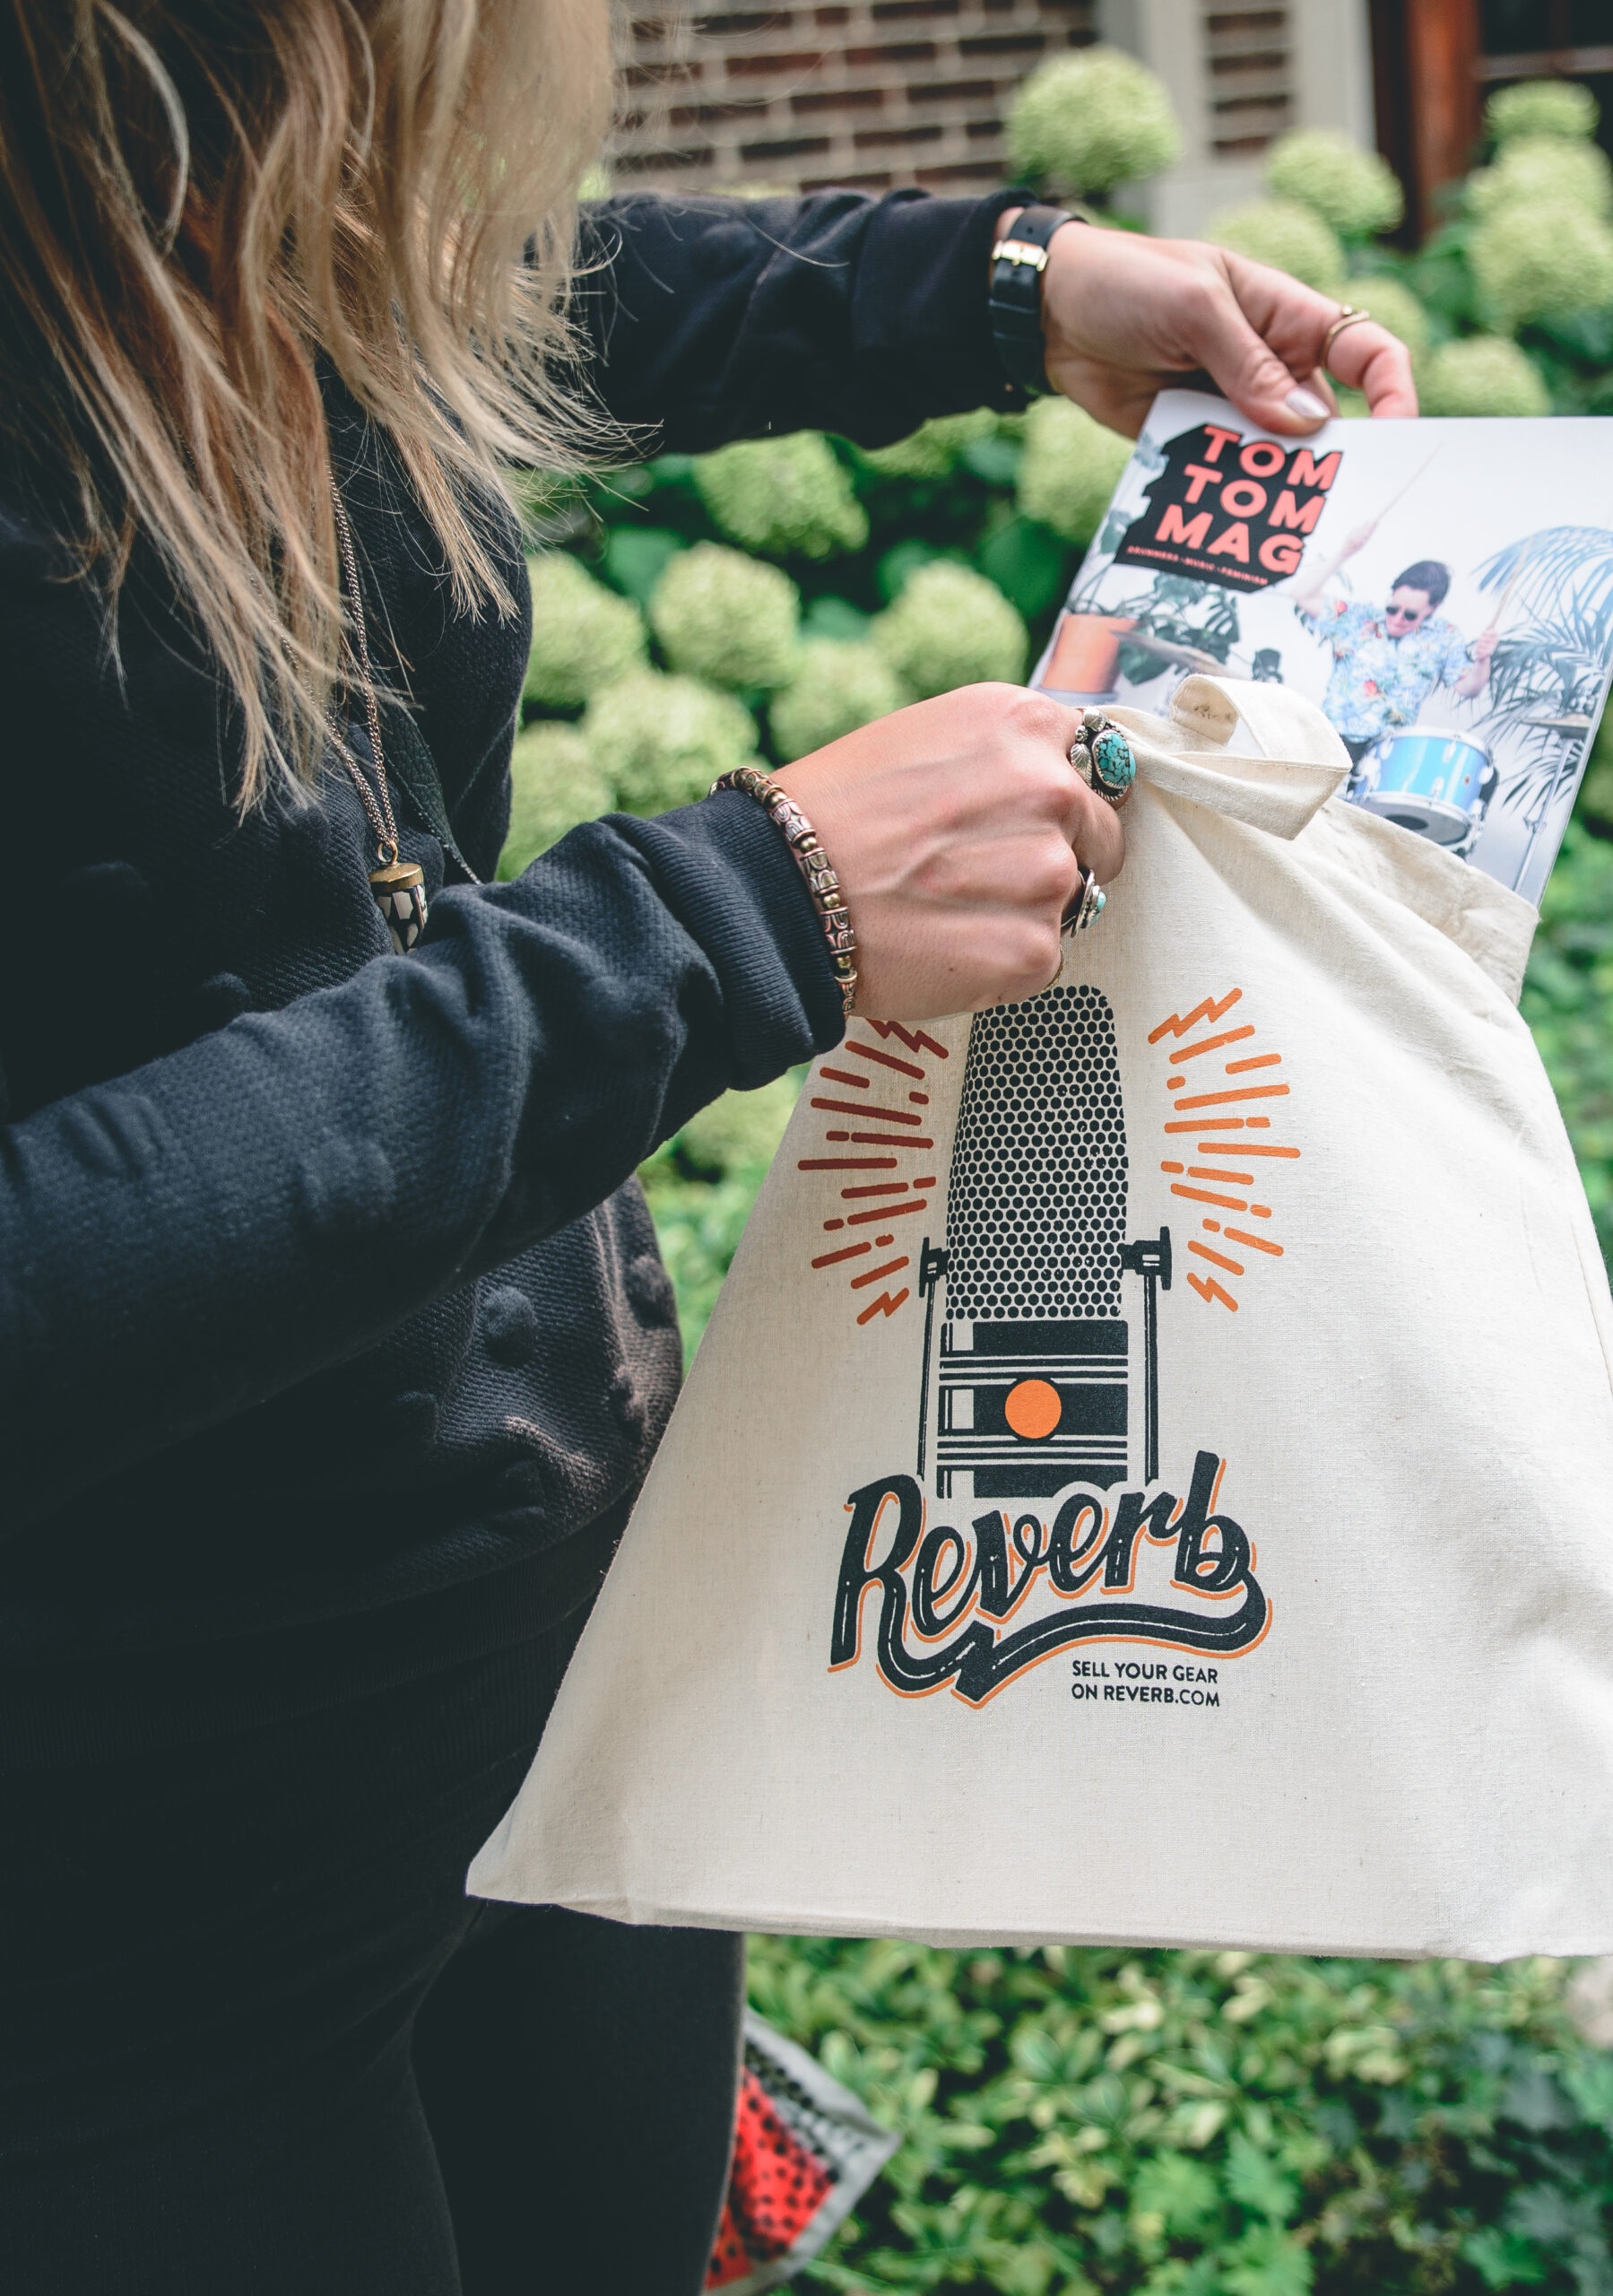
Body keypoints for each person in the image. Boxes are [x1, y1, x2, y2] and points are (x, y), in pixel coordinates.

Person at [0, 7, 1414, 2292]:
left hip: (560, 1691)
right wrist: (732, 912)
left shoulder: (182, 180)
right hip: (120, 1898)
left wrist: (994, 284)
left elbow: (461, 278)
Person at [1291, 523, 1497, 770]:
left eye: (1410, 615)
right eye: (1393, 608)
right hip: (1330, 739)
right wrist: (1344, 552)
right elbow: (1302, 595)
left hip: (1387, 752)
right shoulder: (1359, 619)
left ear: (1432, 608)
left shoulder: (1445, 637)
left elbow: (1468, 688)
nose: (1398, 619)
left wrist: (1483, 660)